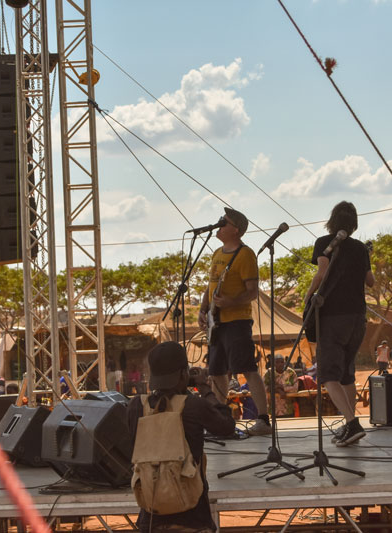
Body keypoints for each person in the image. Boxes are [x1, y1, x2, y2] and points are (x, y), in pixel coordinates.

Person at [127, 342, 235, 533]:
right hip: (193, 519)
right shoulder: (194, 406)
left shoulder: (136, 406)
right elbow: (227, 426)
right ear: (184, 375)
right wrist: (205, 390)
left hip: (151, 519)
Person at [304, 201, 375, 447]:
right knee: (346, 374)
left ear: (332, 221)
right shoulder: (360, 249)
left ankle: (352, 422)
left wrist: (308, 295)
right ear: (353, 223)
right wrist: (365, 258)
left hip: (333, 316)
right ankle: (350, 426)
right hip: (357, 317)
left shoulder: (324, 244)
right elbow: (371, 281)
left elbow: (322, 273)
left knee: (327, 375)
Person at [198, 207, 271, 436]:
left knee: (247, 368)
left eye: (224, 221)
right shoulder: (217, 253)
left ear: (236, 230)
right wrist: (203, 310)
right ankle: (218, 419)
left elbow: (252, 292)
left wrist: (231, 302)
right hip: (216, 323)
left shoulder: (245, 254)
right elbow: (210, 286)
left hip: (237, 322)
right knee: (217, 372)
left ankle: (263, 419)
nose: (218, 224)